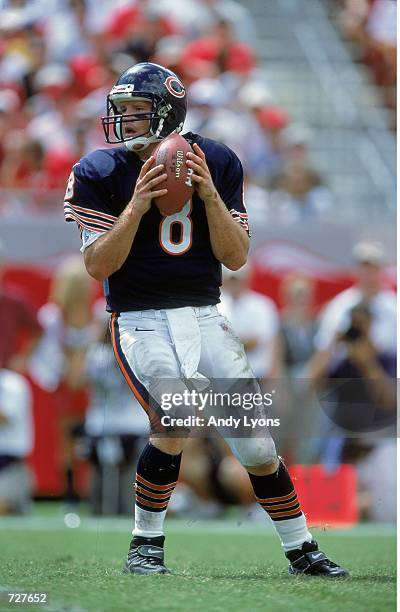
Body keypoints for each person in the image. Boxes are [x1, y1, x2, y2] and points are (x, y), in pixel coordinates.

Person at [64, 61, 347, 577]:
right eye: (120, 112)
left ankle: (301, 548)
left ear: (168, 111)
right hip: (140, 318)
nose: (125, 122)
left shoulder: (216, 159)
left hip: (205, 315)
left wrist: (209, 194)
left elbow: (236, 256)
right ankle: (145, 547)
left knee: (258, 445)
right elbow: (98, 265)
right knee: (173, 421)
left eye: (136, 111)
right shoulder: (98, 172)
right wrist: (137, 206)